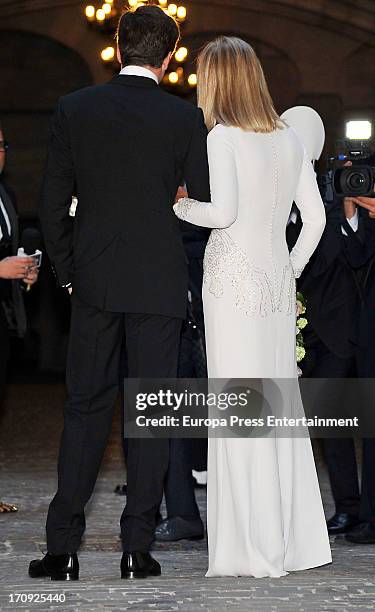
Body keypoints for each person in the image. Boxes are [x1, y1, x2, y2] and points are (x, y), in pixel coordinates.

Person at [30, 5, 210, 581]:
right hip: (158, 281)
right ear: (169, 55)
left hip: (96, 282)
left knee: (85, 410)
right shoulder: (185, 119)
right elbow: (197, 207)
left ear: (118, 43)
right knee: (150, 415)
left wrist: (69, 272)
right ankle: (137, 549)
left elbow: (52, 204)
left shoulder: (75, 109)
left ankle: (62, 551)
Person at [174, 37, 332, 578]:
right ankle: (291, 543)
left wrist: (180, 205)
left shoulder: (221, 136)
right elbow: (316, 221)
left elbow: (222, 214)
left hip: (231, 287)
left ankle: (251, 547)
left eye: (202, 76)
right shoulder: (289, 139)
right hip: (273, 288)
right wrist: (288, 270)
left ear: (217, 79)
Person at [0, 121, 39, 512]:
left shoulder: (5, 194)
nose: (0, 153)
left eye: (2, 144)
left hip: (4, 316)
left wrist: (26, 271)